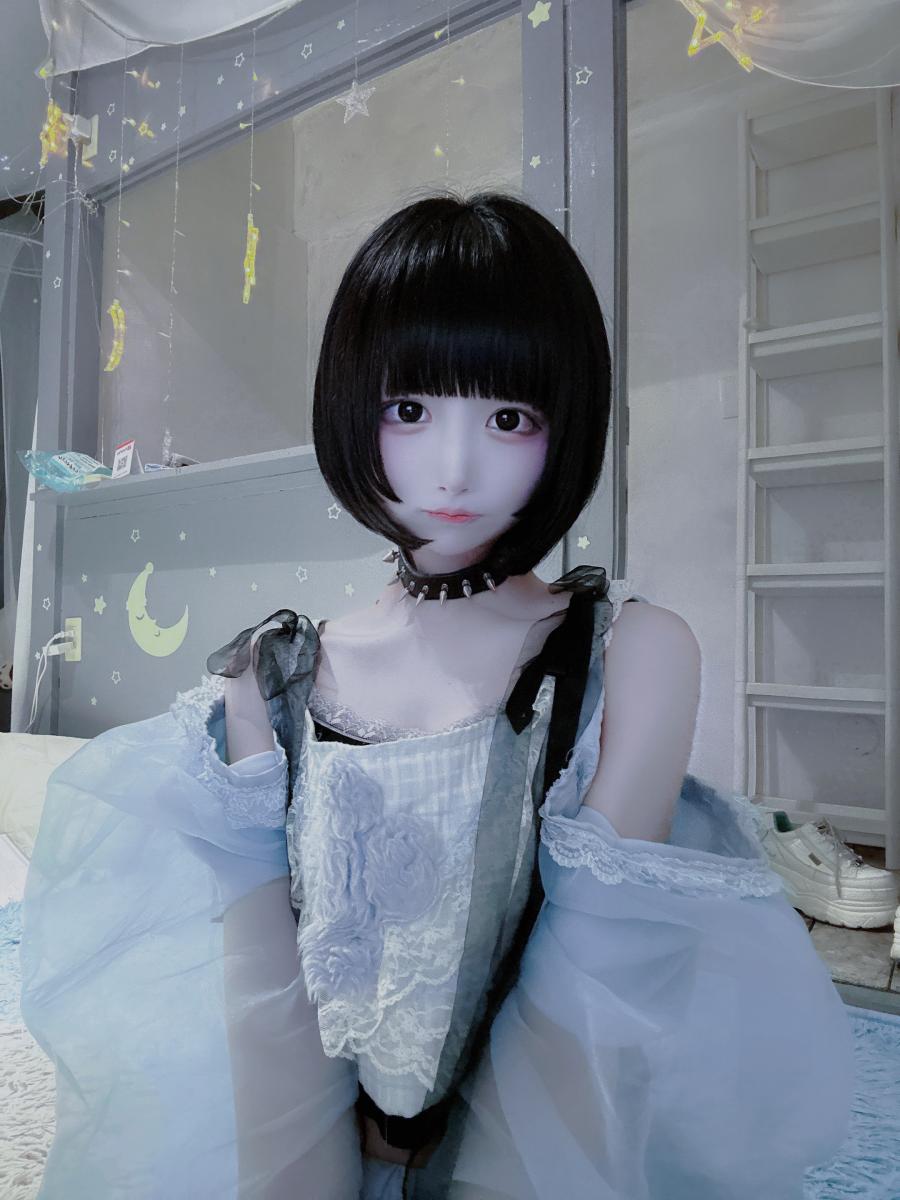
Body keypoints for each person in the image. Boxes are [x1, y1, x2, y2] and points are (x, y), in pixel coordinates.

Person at [19, 192, 854, 1200]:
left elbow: (590, 997)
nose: (454, 469)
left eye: (509, 418)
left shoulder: (632, 653)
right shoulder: (267, 678)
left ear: (566, 424)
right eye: (409, 411)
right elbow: (263, 1008)